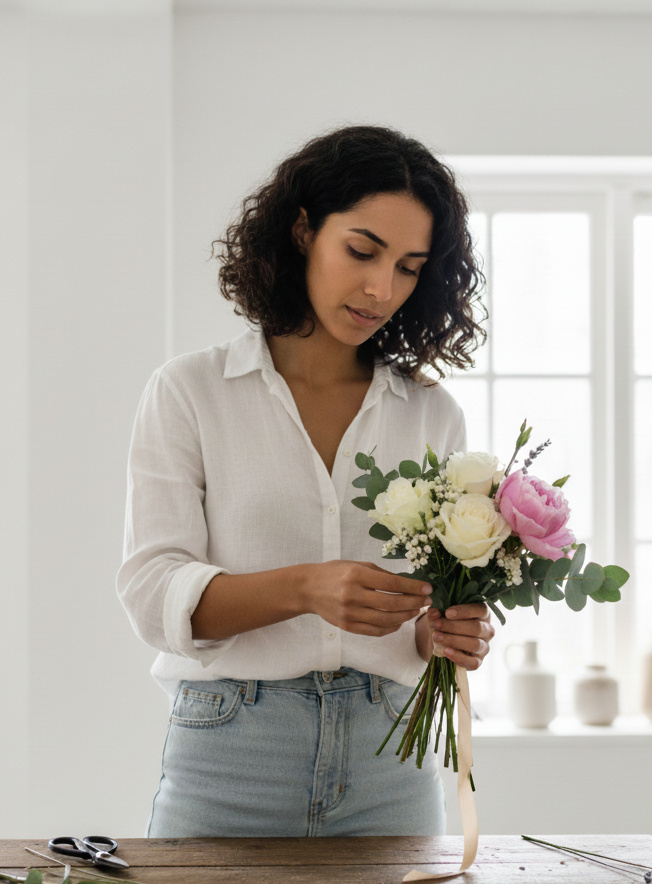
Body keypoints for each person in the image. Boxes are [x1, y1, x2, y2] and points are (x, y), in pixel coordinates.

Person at [117, 125, 495, 838]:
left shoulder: (432, 413)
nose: (382, 288)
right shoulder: (190, 391)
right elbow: (150, 592)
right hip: (232, 754)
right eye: (362, 250)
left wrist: (444, 634)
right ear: (301, 231)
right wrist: (308, 588)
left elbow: (420, 627)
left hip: (393, 756)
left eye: (411, 267)